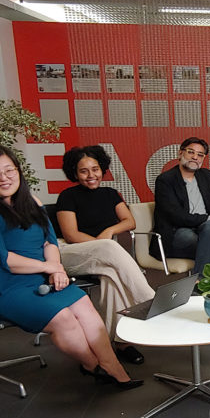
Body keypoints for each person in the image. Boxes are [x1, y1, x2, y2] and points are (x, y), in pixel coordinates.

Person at [0, 144, 142, 389]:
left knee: (84, 304)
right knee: (64, 317)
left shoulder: (30, 200)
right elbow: (1, 260)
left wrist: (55, 266)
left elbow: (49, 241)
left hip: (39, 277)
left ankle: (114, 367)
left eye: (10, 170)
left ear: (19, 172)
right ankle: (92, 366)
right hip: (2, 286)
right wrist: (50, 268)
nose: (4, 178)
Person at [56, 145, 155, 365]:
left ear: (103, 169)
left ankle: (119, 342)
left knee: (111, 275)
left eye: (95, 169)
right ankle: (150, 301)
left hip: (104, 257)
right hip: (69, 253)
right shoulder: (67, 196)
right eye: (84, 171)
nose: (91, 175)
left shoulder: (110, 194)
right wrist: (103, 243)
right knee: (110, 249)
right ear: (74, 173)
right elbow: (71, 235)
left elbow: (130, 221)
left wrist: (110, 231)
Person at [151, 137, 210, 275]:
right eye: (191, 152)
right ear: (180, 153)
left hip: (205, 232)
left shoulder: (206, 176)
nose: (195, 157)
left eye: (200, 155)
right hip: (177, 234)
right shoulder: (166, 180)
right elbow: (176, 217)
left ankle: (200, 282)